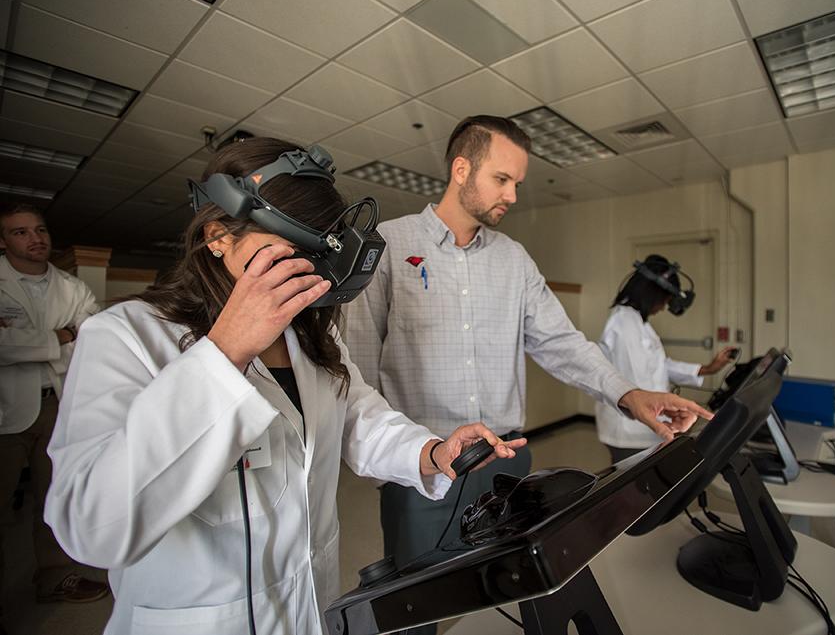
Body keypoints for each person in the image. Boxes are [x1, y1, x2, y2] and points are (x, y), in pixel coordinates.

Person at [42, 137, 524, 635]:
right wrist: (226, 351)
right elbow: (90, 526)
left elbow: (359, 416)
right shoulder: (126, 336)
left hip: (311, 605)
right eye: (293, 250)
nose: (309, 272)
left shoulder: (313, 335)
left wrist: (430, 453)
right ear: (218, 237)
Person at [343, 115, 712, 633]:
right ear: (461, 169)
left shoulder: (514, 260)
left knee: (525, 597)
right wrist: (393, 470)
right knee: (415, 616)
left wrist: (628, 394)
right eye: (503, 179)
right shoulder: (388, 245)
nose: (513, 195)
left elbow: (561, 344)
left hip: (508, 468)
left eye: (518, 182)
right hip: (427, 468)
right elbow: (357, 369)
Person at [0, 203, 108, 630]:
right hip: (5, 413)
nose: (35, 238)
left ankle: (53, 576)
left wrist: (26, 342)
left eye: (39, 229)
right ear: (4, 241)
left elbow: (94, 340)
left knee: (53, 498)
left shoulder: (70, 286)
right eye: (20, 232)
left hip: (58, 406)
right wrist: (60, 336)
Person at [595, 255, 737, 463]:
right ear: (653, 293)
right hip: (629, 429)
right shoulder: (624, 322)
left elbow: (659, 364)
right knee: (634, 491)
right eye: (665, 300)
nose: (663, 308)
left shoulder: (639, 322)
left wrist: (707, 369)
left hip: (644, 423)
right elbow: (638, 378)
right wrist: (673, 412)